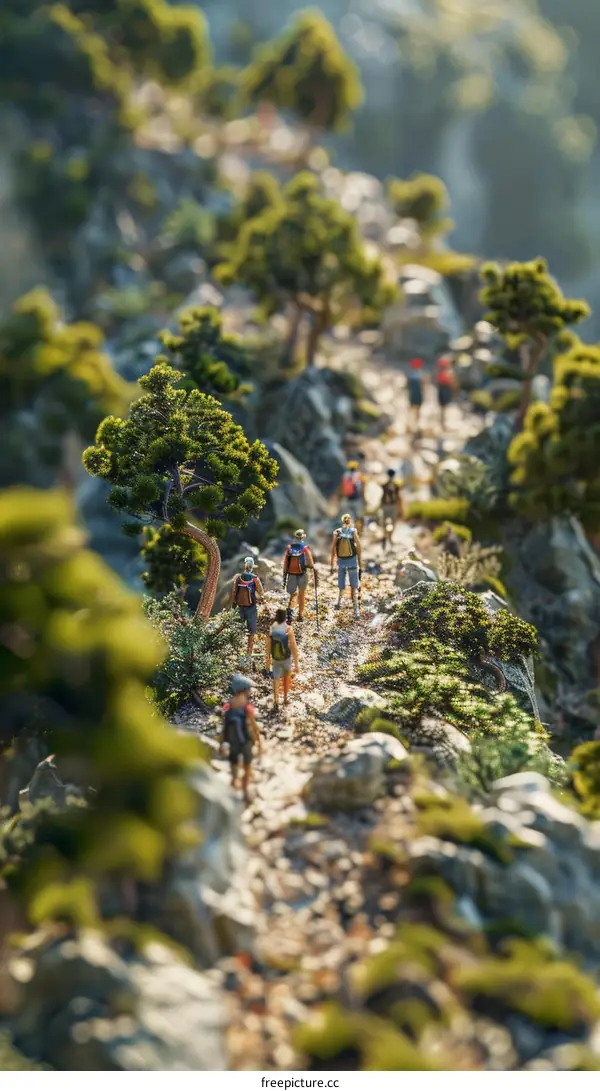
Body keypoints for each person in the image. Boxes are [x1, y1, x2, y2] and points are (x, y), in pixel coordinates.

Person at [220, 673, 262, 803]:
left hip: (232, 742)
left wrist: (222, 743)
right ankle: (245, 794)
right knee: (247, 768)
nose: (250, 692)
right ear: (242, 690)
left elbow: (225, 726)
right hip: (246, 742)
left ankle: (229, 797)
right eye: (248, 689)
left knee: (234, 770)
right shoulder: (247, 707)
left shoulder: (227, 706)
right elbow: (254, 726)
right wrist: (258, 742)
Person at [265, 607, 299, 710]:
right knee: (286, 678)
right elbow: (293, 647)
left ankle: (276, 700)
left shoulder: (272, 629)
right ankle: (285, 698)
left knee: (276, 679)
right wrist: (296, 664)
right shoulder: (288, 629)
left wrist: (267, 663)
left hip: (276, 659)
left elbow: (268, 647)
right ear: (285, 618)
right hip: (286, 659)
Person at [330, 513, 362, 619]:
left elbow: (333, 548)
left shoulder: (337, 532)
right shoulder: (353, 531)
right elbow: (358, 547)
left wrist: (331, 564)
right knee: (354, 584)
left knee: (341, 583)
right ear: (350, 521)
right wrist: (360, 562)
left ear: (342, 521)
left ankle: (338, 603)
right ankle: (356, 610)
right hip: (352, 560)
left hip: (341, 561)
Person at [231, 557, 265, 657]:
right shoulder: (255, 578)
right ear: (252, 566)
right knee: (251, 631)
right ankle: (249, 652)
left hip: (240, 607)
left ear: (245, 565)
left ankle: (236, 651)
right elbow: (261, 592)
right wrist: (261, 599)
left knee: (238, 628)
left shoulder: (238, 578)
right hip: (251, 607)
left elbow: (234, 593)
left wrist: (234, 605)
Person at [282, 530, 314, 623]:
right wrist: (310, 566)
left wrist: (284, 575)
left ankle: (290, 613)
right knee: (302, 594)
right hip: (302, 574)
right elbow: (311, 563)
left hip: (291, 574)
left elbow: (285, 563)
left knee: (292, 594)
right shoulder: (305, 548)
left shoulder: (289, 548)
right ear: (302, 538)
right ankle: (300, 614)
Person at [339, 460, 365, 532]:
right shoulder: (359, 475)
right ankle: (358, 531)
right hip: (357, 499)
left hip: (348, 499)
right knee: (358, 516)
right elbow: (363, 485)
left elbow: (341, 487)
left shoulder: (345, 475)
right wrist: (363, 497)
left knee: (349, 517)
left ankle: (349, 531)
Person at [381, 468, 404, 550]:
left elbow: (382, 497)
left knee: (385, 522)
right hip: (393, 506)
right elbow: (398, 497)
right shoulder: (396, 485)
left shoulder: (384, 485)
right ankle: (389, 537)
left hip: (385, 506)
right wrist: (401, 508)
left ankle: (385, 535)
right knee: (393, 522)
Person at [435, 355, 458, 429]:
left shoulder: (442, 372)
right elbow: (452, 382)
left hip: (443, 389)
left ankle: (443, 423)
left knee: (443, 407)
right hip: (444, 389)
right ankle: (443, 423)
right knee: (444, 407)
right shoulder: (447, 372)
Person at [407, 358, 425, 430]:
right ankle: (414, 423)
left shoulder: (413, 374)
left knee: (415, 407)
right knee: (415, 408)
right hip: (415, 393)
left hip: (415, 393)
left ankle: (415, 423)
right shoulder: (418, 374)